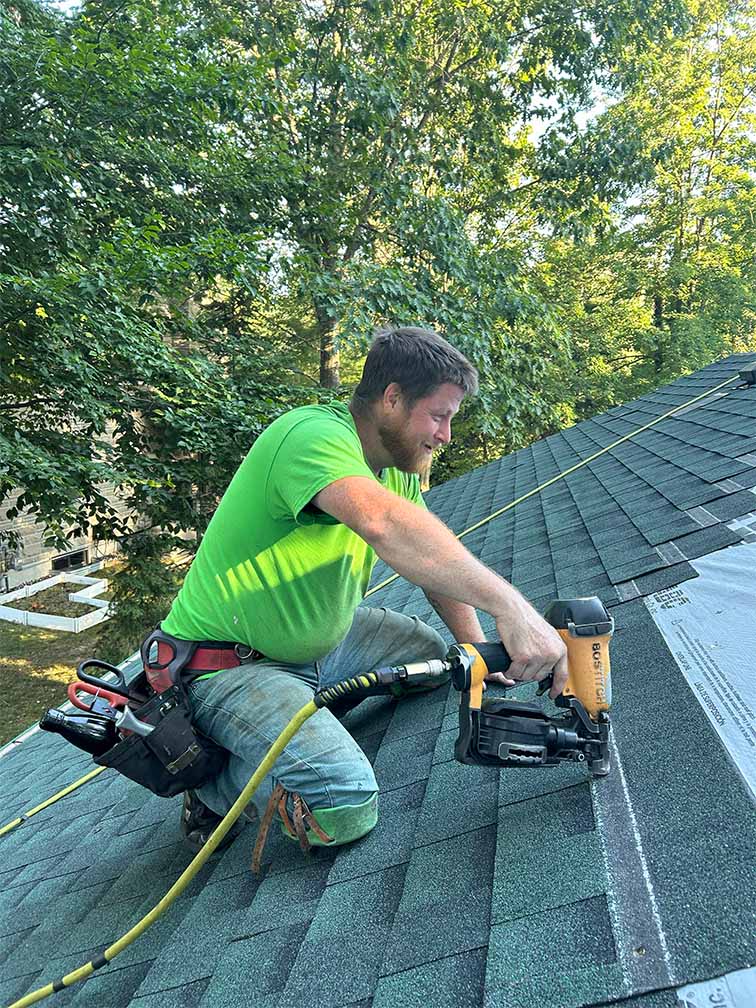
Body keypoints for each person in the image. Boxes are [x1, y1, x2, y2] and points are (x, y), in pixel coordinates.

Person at [159, 327, 567, 861]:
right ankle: (213, 781)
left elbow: (425, 555)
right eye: (438, 416)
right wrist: (512, 607)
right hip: (229, 665)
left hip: (318, 646)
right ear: (392, 398)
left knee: (433, 659)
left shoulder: (397, 466)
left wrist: (477, 651)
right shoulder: (308, 436)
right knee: (344, 805)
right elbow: (382, 525)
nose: (445, 435)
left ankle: (306, 715)